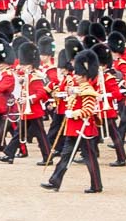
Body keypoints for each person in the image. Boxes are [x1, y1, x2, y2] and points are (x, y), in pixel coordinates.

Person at [43, 48, 104, 193]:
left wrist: (73, 113)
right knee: (65, 156)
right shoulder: (78, 89)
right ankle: (55, 181)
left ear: (85, 75)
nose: (75, 76)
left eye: (78, 74)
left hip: (84, 130)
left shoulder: (88, 91)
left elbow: (88, 111)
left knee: (90, 159)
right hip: (73, 129)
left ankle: (96, 185)